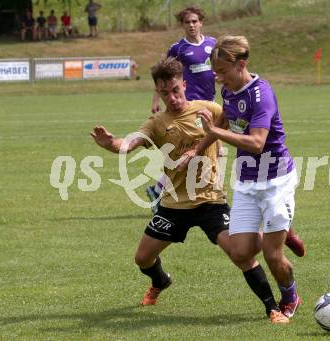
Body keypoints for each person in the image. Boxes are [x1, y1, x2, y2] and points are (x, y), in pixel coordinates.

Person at [90, 57, 288, 321]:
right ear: (158, 93)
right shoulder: (156, 123)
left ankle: (272, 307)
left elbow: (233, 119)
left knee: (239, 255)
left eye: (175, 90)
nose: (171, 98)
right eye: (164, 93)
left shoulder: (207, 109)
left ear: (184, 84)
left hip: (210, 201)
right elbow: (130, 143)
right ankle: (160, 282)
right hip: (173, 205)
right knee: (142, 259)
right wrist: (111, 144)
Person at [180, 36, 302, 322]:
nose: (217, 77)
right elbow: (220, 124)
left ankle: (289, 296)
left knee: (273, 257)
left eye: (222, 71)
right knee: (239, 251)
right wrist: (195, 150)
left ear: (241, 65)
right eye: (215, 71)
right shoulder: (230, 91)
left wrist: (218, 133)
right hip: (247, 181)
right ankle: (284, 233)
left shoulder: (261, 94)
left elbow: (257, 142)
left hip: (276, 181)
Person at [146, 7, 221, 213]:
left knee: (211, 150)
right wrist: (156, 99)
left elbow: (219, 67)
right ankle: (208, 196)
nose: (191, 25)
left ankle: (161, 189)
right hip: (191, 108)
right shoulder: (178, 49)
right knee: (206, 149)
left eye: (195, 21)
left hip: (210, 104)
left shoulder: (212, 44)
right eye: (187, 22)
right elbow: (163, 75)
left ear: (201, 22)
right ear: (183, 25)